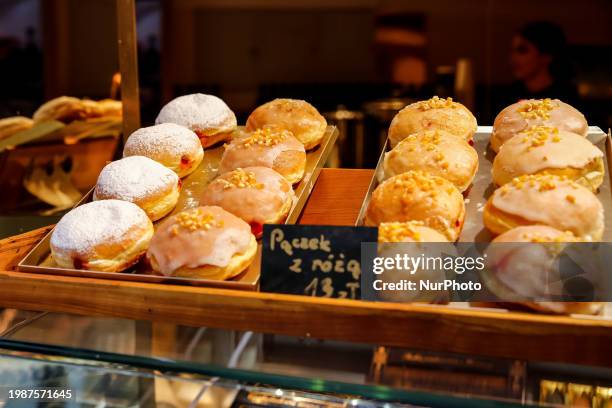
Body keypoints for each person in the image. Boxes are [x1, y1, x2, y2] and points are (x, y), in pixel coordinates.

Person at [507, 21, 579, 106]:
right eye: (513, 50)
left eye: (522, 50)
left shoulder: (567, 99)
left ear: (546, 56)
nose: (513, 58)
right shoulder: (509, 95)